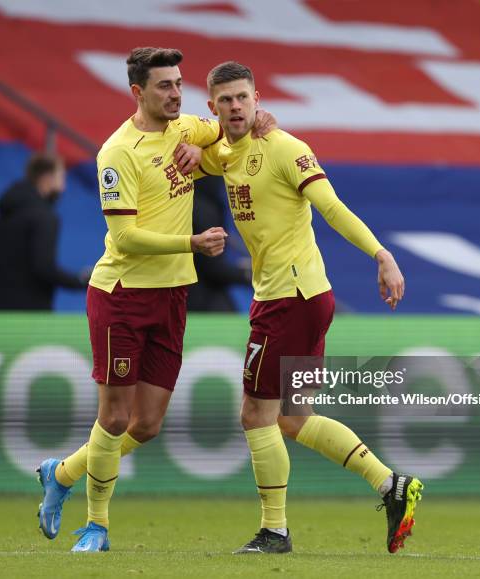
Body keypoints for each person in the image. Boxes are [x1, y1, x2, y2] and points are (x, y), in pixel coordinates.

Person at [35, 47, 275, 553]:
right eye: (164, 86)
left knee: (147, 424)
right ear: (137, 93)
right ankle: (96, 526)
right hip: (121, 295)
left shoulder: (187, 129)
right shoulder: (116, 152)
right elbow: (123, 239)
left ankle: (62, 472)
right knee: (116, 417)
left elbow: (232, 128)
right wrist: (190, 243)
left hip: (171, 295)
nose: (176, 94)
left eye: (179, 84)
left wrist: (261, 121)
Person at [197, 61, 423, 555]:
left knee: (256, 413)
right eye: (224, 100)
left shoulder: (285, 147)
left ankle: (274, 531)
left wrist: (381, 255)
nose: (235, 107)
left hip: (292, 299)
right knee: (292, 418)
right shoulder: (225, 153)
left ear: (257, 98)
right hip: (288, 297)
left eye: (242, 97)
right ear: (212, 106)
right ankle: (391, 485)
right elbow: (199, 151)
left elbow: (332, 207)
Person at [0, 153, 88, 310]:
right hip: (33, 316)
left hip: (1, 312)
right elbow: (44, 268)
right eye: (61, 178)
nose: (63, 187)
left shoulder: (8, 211)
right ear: (46, 178)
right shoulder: (45, 217)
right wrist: (80, 282)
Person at [187, 175, 251, 311]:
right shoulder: (204, 210)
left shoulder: (193, 204)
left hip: (186, 293)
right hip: (199, 300)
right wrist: (248, 274)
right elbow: (212, 267)